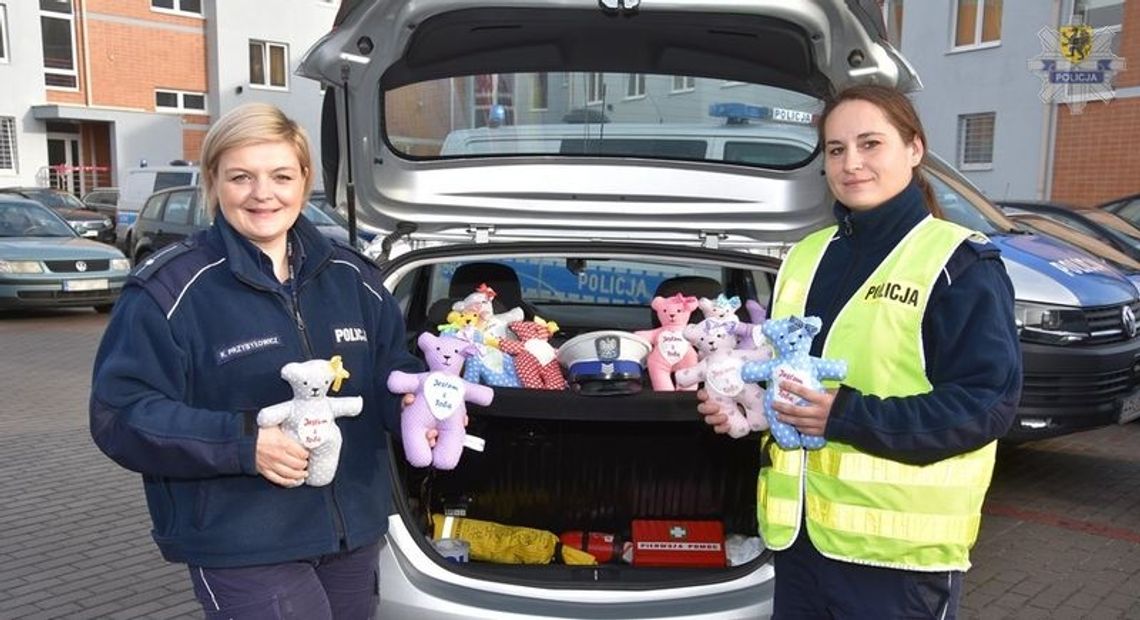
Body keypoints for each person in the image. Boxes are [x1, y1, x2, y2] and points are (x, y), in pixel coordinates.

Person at [699, 85, 1022, 618]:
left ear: (914, 149)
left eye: (870, 144)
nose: (851, 163)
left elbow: (986, 405)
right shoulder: (804, 257)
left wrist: (845, 415)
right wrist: (748, 409)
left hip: (898, 565)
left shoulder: (958, 264)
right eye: (836, 149)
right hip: (799, 549)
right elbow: (785, 377)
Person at [89, 102, 423, 619]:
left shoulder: (352, 276)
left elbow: (388, 370)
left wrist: (412, 407)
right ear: (213, 181)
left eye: (281, 176)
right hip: (242, 540)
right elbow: (121, 414)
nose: (262, 193)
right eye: (241, 176)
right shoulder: (170, 290)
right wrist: (243, 443)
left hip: (352, 531)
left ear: (305, 180)